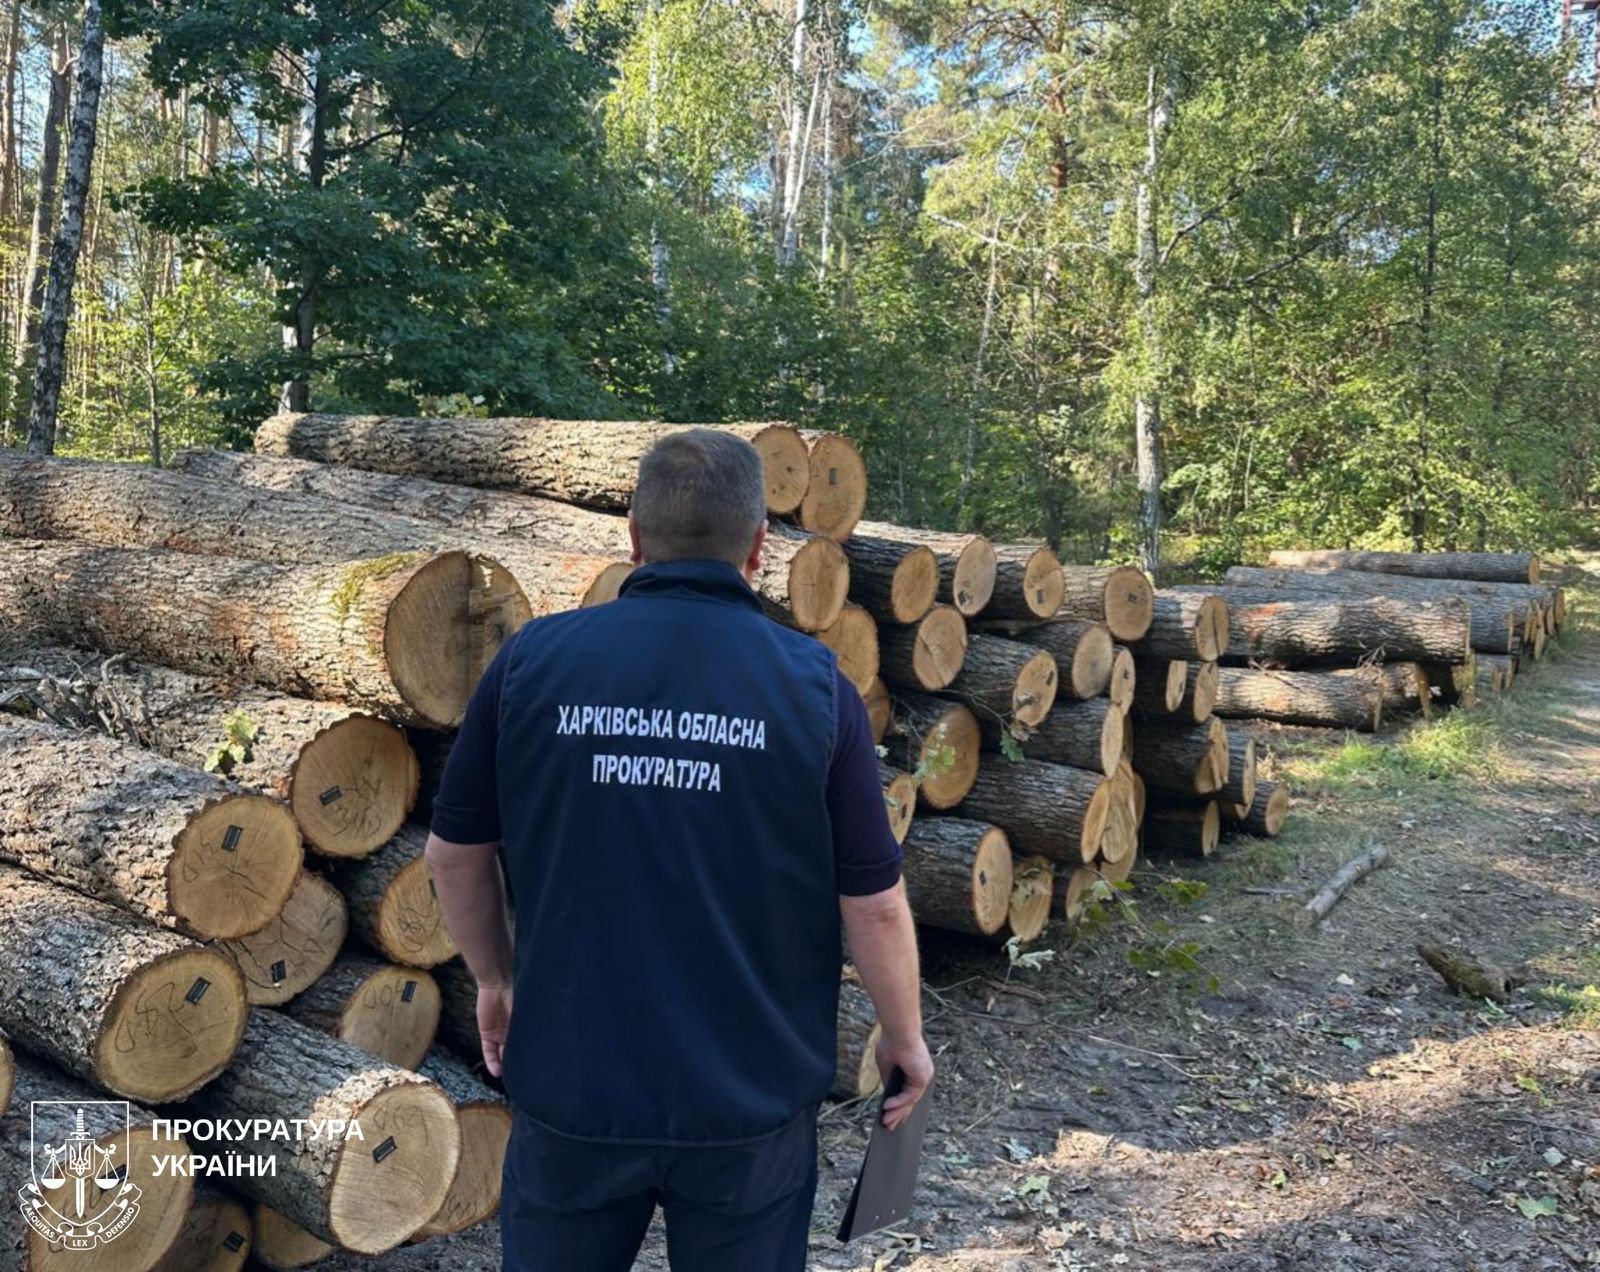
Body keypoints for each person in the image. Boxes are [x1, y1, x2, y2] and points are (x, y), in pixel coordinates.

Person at [425, 428, 933, 1271]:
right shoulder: (815, 690)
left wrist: (496, 979)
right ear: (760, 548)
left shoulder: (531, 664)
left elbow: (453, 854)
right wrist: (902, 1035)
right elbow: (874, 901)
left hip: (575, 1078)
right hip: (748, 1101)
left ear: (633, 538)